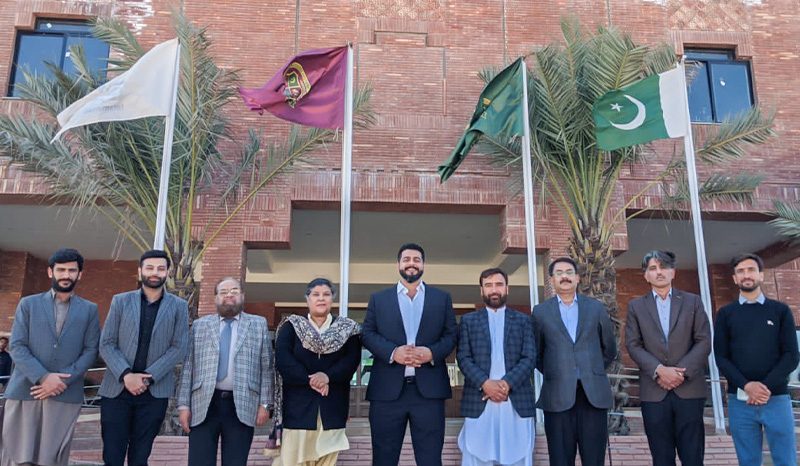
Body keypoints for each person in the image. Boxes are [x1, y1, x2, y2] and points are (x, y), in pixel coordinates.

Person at [0, 248, 100, 466]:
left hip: (64, 393)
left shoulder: (89, 310)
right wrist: (44, 377)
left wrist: (61, 381)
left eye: (71, 270)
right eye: (61, 270)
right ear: (50, 272)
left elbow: (91, 350)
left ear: (80, 274)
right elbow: (17, 345)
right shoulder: (28, 304)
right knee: (17, 456)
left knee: (51, 458)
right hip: (26, 390)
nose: (66, 275)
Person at [362, 243, 457, 466]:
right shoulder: (379, 299)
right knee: (384, 459)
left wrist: (431, 353)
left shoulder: (441, 298)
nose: (411, 264)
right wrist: (393, 352)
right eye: (406, 259)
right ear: (398, 264)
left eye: (416, 259)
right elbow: (367, 334)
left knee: (430, 459)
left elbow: (452, 335)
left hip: (429, 393)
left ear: (423, 264)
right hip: (386, 393)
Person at [98, 249, 189, 466]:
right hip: (117, 390)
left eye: (160, 268)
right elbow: (107, 343)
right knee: (112, 455)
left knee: (140, 457)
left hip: (154, 393)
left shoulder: (179, 306)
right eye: (149, 268)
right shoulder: (121, 301)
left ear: (167, 272)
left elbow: (179, 347)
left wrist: (147, 378)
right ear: (140, 271)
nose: (155, 272)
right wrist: (127, 375)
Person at [624, 250, 711, 466]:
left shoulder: (693, 301)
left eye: (664, 267)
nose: (659, 272)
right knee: (661, 457)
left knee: (693, 456)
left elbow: (703, 340)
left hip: (689, 389)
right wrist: (659, 370)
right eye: (653, 268)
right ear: (646, 275)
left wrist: (680, 373)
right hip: (654, 392)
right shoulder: (636, 306)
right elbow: (633, 344)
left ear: (673, 272)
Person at [714, 253, 800, 466]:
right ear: (735, 278)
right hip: (740, 401)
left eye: (751, 270)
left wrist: (764, 388)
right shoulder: (726, 314)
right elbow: (721, 357)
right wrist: (747, 386)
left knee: (786, 460)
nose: (746, 275)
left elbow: (791, 355)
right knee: (748, 461)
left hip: (776, 399)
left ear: (761, 275)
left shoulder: (780, 311)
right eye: (740, 271)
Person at [177, 277, 273, 466]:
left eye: (234, 291)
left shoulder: (258, 324)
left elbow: (266, 367)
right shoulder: (200, 325)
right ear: (215, 298)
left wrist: (265, 404)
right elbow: (189, 366)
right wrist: (183, 406)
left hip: (242, 404)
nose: (229, 295)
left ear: (242, 296)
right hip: (203, 404)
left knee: (235, 462)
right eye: (223, 292)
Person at [531, 257, 616, 466]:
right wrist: (559, 372)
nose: (564, 277)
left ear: (577, 278)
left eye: (569, 272)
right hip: (557, 397)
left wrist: (591, 370)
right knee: (560, 459)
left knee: (594, 459)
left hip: (592, 396)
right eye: (559, 273)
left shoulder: (595, 308)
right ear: (552, 280)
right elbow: (537, 354)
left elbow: (609, 348)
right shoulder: (540, 312)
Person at [271, 278, 361, 466]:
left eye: (326, 294)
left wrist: (327, 376)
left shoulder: (347, 329)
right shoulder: (292, 326)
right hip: (298, 409)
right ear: (307, 299)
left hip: (333, 408)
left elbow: (351, 361)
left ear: (332, 299)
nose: (321, 298)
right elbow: (283, 359)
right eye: (316, 294)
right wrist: (310, 380)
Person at [457, 268, 536, 466]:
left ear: (507, 288)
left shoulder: (523, 321)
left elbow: (529, 357)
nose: (494, 290)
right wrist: (485, 383)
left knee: (518, 456)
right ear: (481, 290)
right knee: (476, 456)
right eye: (489, 285)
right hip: (480, 398)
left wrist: (506, 384)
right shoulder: (468, 321)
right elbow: (463, 357)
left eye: (499, 285)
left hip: (515, 399)